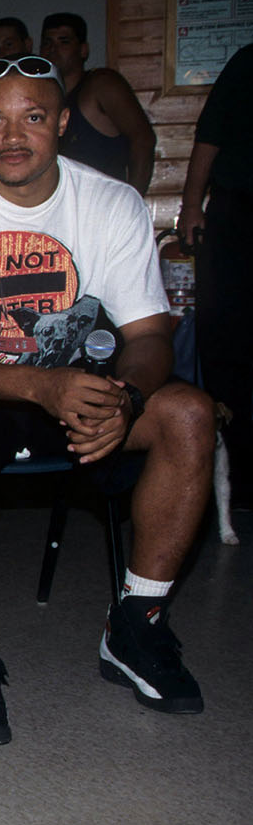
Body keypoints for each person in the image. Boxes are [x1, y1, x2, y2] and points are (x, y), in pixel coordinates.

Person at [0, 55, 214, 747]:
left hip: (81, 392)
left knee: (187, 412)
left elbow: (150, 335)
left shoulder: (111, 203)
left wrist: (126, 400)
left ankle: (136, 626)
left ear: (63, 123)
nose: (13, 136)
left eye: (33, 117)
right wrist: (40, 385)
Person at [178, 44, 253, 504]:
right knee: (225, 339)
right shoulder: (247, 63)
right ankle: (236, 477)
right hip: (238, 213)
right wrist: (191, 205)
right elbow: (210, 135)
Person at [39, 12, 155, 193]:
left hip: (104, 202)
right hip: (62, 204)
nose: (53, 49)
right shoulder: (42, 100)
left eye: (64, 42)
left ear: (83, 50)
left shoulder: (101, 84)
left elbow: (143, 140)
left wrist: (133, 199)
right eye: (47, 43)